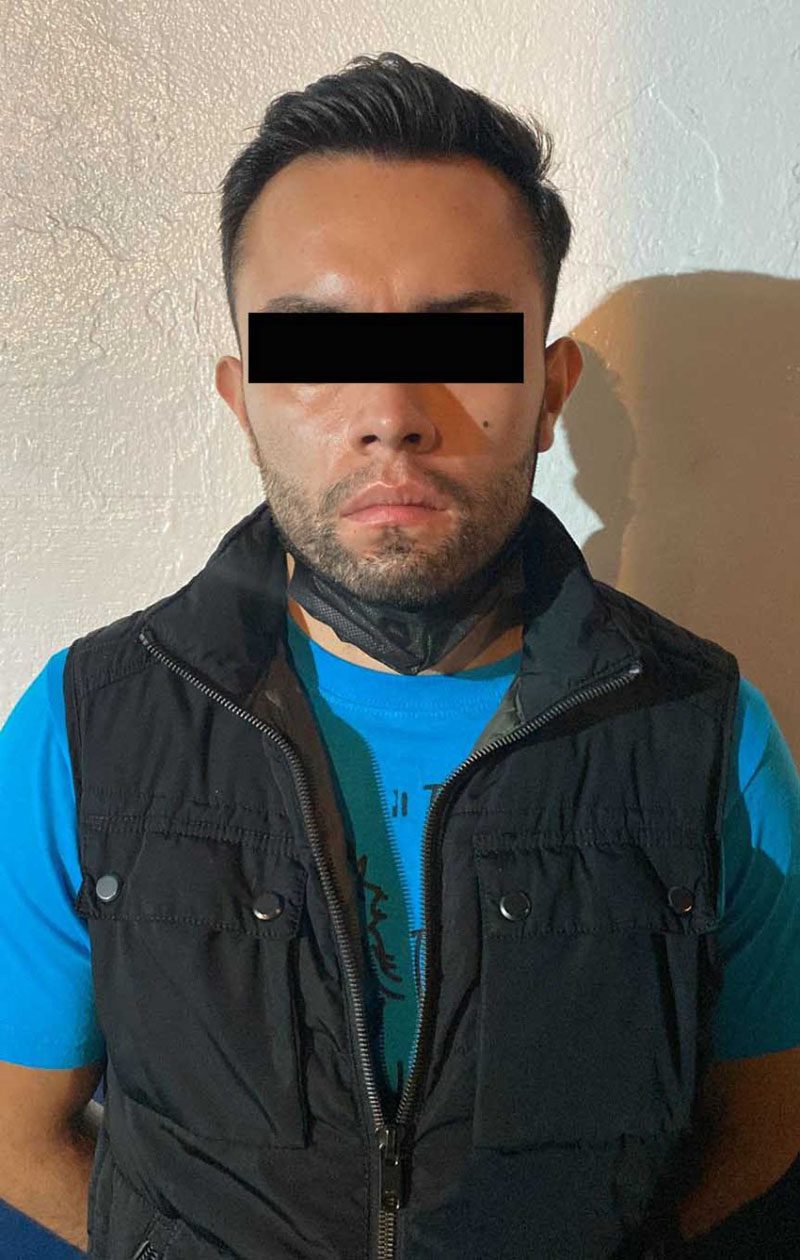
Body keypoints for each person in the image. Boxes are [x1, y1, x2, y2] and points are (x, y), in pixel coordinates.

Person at [1, 51, 799, 1260]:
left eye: (467, 344)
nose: (389, 412)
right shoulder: (87, 723)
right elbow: (19, 1130)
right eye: (312, 351)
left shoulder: (707, 732)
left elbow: (767, 1125)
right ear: (240, 398)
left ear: (547, 392)